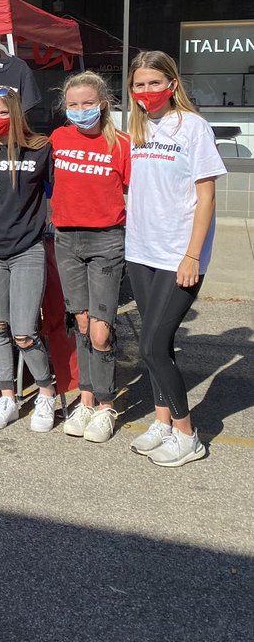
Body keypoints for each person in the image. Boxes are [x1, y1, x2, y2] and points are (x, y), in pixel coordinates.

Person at [124, 51, 227, 467]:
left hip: (177, 254)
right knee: (158, 344)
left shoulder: (194, 127)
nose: (147, 91)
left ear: (172, 83)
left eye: (154, 82)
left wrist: (192, 255)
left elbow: (207, 197)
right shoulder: (136, 127)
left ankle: (188, 435)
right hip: (141, 250)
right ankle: (162, 422)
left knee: (150, 347)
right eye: (139, 84)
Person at [50, 72, 131, 442]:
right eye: (73, 105)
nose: (80, 111)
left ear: (103, 104)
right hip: (66, 239)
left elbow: (141, 194)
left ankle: (106, 403)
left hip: (106, 241)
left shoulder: (122, 144)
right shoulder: (57, 139)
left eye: (87, 104)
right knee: (81, 323)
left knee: (100, 330)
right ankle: (85, 399)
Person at [0, 85, 57, 431]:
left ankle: (46, 392)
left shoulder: (41, 148)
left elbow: (57, 194)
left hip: (26, 251)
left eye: (3, 112)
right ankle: (8, 396)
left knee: (24, 332)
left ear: (17, 112)